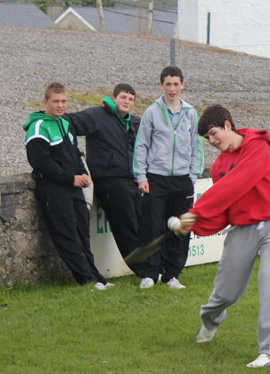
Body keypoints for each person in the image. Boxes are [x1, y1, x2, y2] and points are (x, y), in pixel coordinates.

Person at [178, 105, 270, 368]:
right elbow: (223, 209)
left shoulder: (258, 147)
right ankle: (211, 320)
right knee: (225, 293)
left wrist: (197, 210)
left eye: (214, 133)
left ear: (228, 125)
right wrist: (195, 223)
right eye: (207, 138)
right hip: (242, 229)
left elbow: (238, 182)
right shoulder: (219, 166)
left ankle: (269, 351)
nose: (212, 141)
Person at [23, 82, 113, 290]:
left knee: (82, 231)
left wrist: (82, 172)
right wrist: (70, 178)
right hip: (53, 188)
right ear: (46, 102)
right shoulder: (38, 127)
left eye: (64, 101)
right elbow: (41, 163)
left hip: (73, 186)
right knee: (67, 234)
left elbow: (74, 153)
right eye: (56, 101)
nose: (60, 105)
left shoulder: (64, 123)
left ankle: (96, 276)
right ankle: (85, 280)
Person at [64, 84, 153, 288]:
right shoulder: (97, 115)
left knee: (142, 224)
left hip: (131, 180)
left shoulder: (134, 122)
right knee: (127, 227)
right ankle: (144, 272)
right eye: (123, 97)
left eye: (131, 99)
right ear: (113, 98)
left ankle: (153, 267)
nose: (127, 102)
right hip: (109, 181)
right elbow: (69, 122)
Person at [133, 66, 204, 290]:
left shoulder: (191, 113)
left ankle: (172, 275)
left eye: (176, 84)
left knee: (180, 229)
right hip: (156, 178)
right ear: (161, 86)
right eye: (168, 84)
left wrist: (193, 175)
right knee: (152, 228)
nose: (172, 89)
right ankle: (150, 274)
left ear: (182, 85)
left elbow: (197, 146)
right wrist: (141, 175)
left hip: (182, 179)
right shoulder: (152, 112)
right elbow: (141, 145)